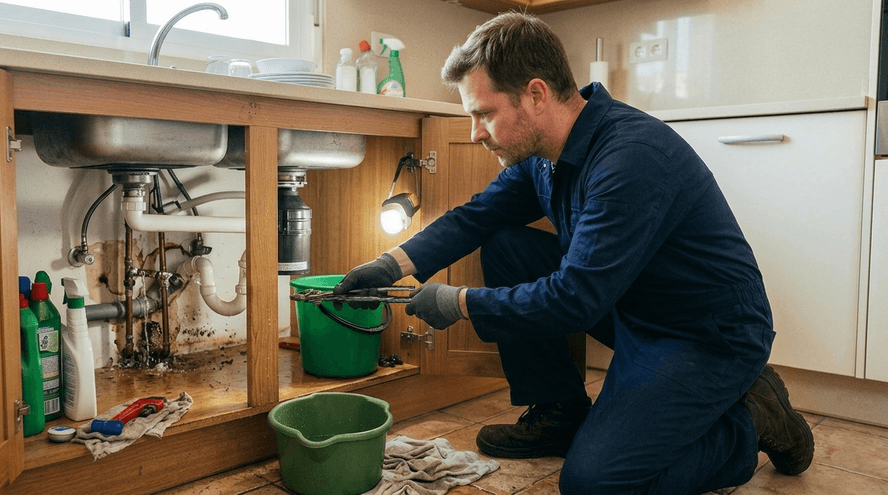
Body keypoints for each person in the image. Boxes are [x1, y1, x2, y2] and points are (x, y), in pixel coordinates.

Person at [333, 11, 815, 495]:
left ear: (536, 95)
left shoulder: (629, 158)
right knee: (507, 245)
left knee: (594, 485)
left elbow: (575, 298)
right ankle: (558, 410)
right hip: (631, 307)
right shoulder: (543, 155)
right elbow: (477, 216)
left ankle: (755, 418)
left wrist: (457, 303)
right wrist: (388, 264)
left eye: (484, 113)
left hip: (704, 333)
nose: (476, 132)